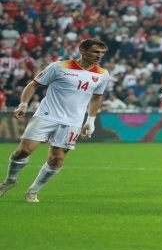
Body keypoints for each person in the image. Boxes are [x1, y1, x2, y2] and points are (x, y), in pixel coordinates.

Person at [0, 39, 110, 202]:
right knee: (23, 151)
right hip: (46, 115)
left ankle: (33, 190)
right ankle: (9, 180)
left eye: (102, 53)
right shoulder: (59, 67)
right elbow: (33, 85)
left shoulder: (102, 74)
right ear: (82, 51)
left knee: (57, 159)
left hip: (73, 121)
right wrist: (23, 105)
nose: (99, 56)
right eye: (95, 52)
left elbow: (96, 98)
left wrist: (91, 120)